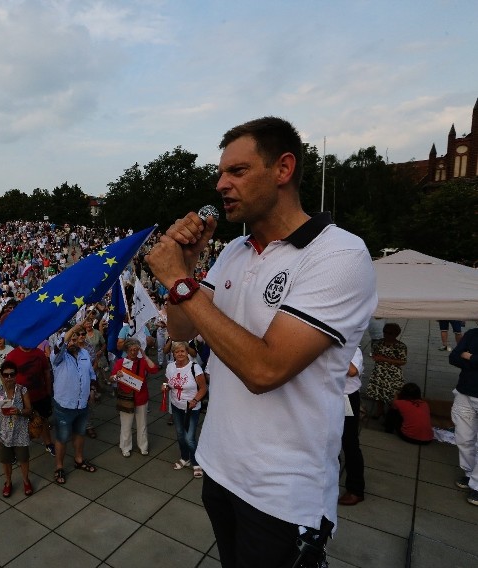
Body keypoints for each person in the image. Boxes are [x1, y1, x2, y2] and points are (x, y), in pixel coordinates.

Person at [146, 116, 377, 568]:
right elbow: (180, 330)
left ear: (283, 168)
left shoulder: (339, 255)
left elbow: (264, 370)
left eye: (237, 171)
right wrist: (187, 273)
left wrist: (177, 280)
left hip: (282, 495)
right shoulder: (234, 250)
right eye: (221, 173)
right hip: (220, 467)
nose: (221, 184)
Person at [50, 323, 98, 485]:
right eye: (71, 338)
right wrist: (74, 329)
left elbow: (91, 373)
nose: (73, 341)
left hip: (82, 405)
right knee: (62, 437)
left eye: (76, 338)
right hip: (64, 405)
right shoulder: (58, 356)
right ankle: (59, 466)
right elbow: (60, 345)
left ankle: (79, 460)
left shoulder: (84, 353)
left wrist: (92, 389)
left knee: (79, 433)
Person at [0, 360, 33, 497]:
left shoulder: (22, 390)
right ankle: (8, 482)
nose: (9, 378)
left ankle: (25, 481)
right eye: (6, 375)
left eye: (12, 374)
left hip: (20, 431)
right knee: (6, 461)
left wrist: (18, 411)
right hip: (3, 432)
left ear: (16, 375)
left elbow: (29, 410)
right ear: (1, 376)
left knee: (23, 459)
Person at [163, 341, 207, 476]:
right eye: (177, 352)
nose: (180, 354)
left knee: (190, 438)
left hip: (191, 408)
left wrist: (195, 400)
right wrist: (165, 386)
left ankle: (196, 462)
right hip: (176, 405)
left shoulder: (195, 368)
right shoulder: (170, 367)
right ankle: (185, 457)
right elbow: (168, 382)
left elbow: (204, 388)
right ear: (173, 354)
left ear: (187, 352)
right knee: (180, 434)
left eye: (182, 351)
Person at [6, 342, 55, 454]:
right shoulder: (12, 356)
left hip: (40, 395)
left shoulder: (39, 353)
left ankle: (48, 444)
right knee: (19, 423)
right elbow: (7, 378)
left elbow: (46, 372)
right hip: (21, 398)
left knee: (43, 420)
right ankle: (17, 449)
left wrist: (48, 391)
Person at [112, 338, 158, 457]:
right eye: (131, 350)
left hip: (141, 398)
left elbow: (154, 369)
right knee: (126, 425)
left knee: (142, 425)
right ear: (127, 350)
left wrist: (145, 356)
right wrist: (116, 376)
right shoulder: (121, 362)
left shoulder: (142, 362)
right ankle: (125, 447)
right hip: (126, 398)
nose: (133, 352)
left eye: (136, 350)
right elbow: (111, 378)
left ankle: (143, 446)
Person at [450, 326, 478, 506]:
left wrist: (471, 357)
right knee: (463, 437)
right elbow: (453, 357)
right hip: (465, 392)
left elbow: (462, 356)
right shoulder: (473, 333)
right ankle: (470, 474)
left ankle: (477, 485)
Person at [338, 347, 366, 506]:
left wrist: (335, 349)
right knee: (329, 441)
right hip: (330, 394)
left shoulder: (353, 349)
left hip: (347, 398)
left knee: (349, 442)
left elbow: (353, 371)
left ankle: (356, 489)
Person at [366, 323, 408, 419]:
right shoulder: (379, 343)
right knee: (378, 392)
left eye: (390, 333)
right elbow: (375, 355)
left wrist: (384, 359)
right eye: (385, 332)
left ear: (396, 334)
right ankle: (379, 411)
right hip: (379, 371)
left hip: (393, 373)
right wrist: (376, 358)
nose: (386, 335)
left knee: (393, 394)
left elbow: (402, 361)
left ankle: (391, 415)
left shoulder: (400, 346)